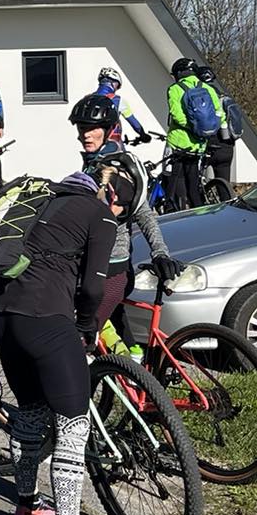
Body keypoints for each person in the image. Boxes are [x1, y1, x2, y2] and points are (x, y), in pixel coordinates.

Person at [0, 151, 124, 515]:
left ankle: (26, 507)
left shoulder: (39, 203)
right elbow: (94, 289)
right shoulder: (99, 214)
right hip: (46, 320)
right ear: (106, 188)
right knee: (73, 426)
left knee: (28, 415)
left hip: (2, 319)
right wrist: (85, 327)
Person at [69, 95, 181, 345]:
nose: (85, 134)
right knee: (120, 341)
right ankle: (137, 375)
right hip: (104, 270)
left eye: (92, 128)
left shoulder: (114, 170)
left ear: (108, 130)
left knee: (77, 344)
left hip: (107, 273)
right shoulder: (103, 162)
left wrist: (160, 252)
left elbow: (143, 213)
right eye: (82, 128)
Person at [163, 57, 220, 211]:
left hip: (177, 143)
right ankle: (199, 215)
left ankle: (174, 213)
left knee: (173, 182)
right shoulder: (208, 89)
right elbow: (218, 113)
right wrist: (202, 131)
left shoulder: (174, 89)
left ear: (179, 73)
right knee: (193, 183)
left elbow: (177, 115)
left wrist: (191, 127)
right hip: (199, 144)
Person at [191, 62, 238, 198]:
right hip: (227, 146)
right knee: (224, 186)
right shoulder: (224, 97)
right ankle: (228, 211)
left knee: (196, 183)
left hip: (209, 145)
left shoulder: (201, 97)